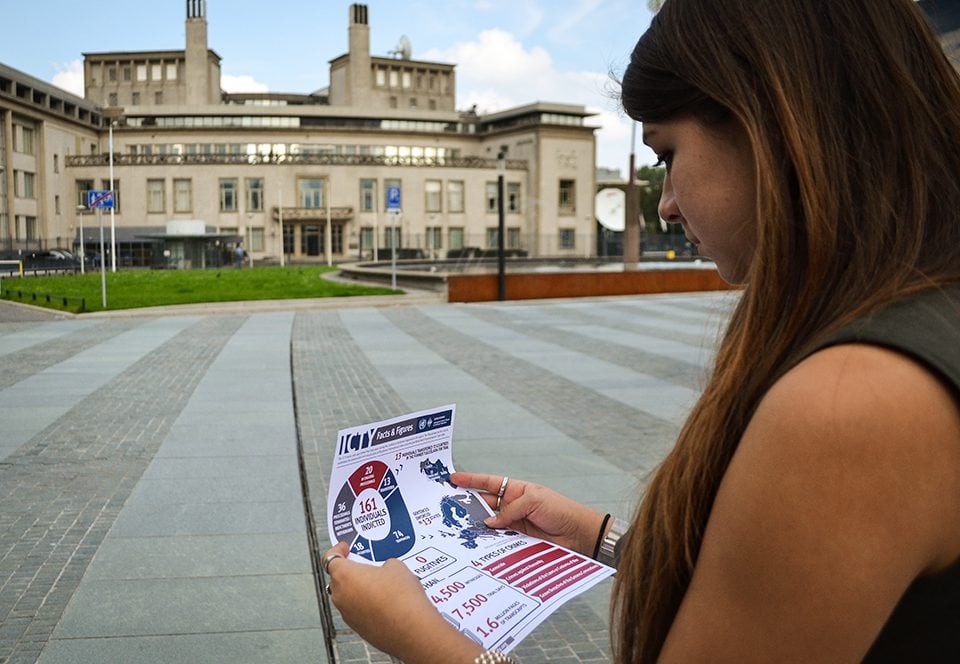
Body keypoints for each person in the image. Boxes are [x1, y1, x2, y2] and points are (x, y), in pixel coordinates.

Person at [323, 0, 960, 661]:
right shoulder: (920, 318)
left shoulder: (849, 404)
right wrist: (595, 535)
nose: (666, 203)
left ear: (769, 123)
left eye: (667, 152)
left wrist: (423, 636)